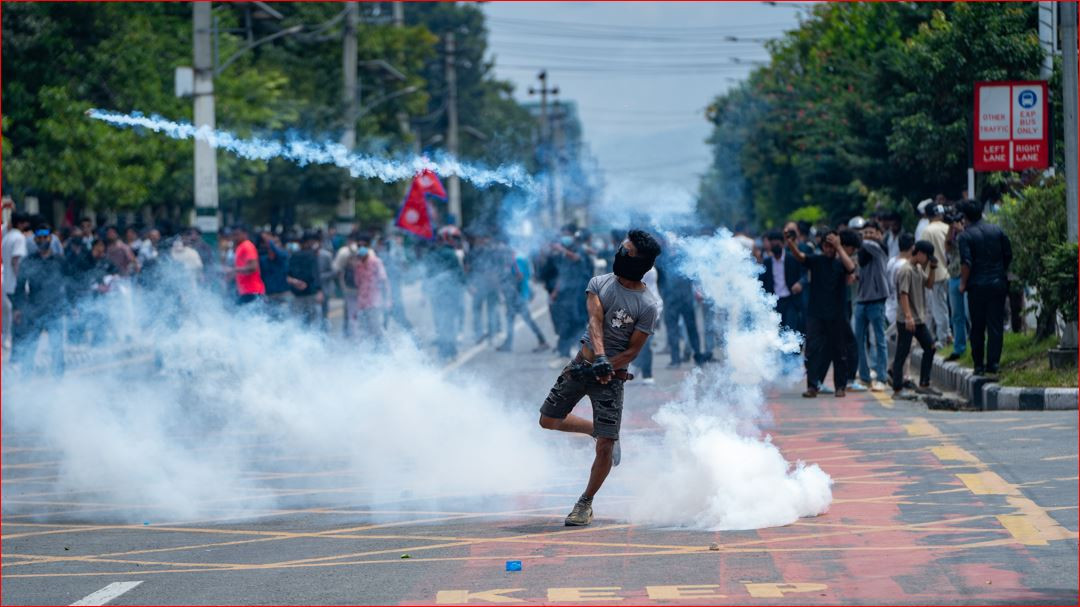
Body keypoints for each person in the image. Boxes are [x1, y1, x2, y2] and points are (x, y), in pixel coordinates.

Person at [539, 229, 662, 527]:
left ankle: (585, 502)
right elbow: (595, 322)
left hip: (612, 378)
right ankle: (595, 429)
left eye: (626, 251)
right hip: (583, 364)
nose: (619, 253)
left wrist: (610, 366)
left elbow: (633, 350)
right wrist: (600, 360)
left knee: (606, 445)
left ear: (640, 262)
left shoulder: (647, 305)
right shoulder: (599, 283)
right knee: (548, 420)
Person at [786, 230, 855, 398]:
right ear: (822, 246)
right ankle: (812, 386)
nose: (829, 249)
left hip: (837, 313)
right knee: (812, 351)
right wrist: (791, 244)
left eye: (832, 246)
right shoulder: (816, 260)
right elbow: (801, 257)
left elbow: (851, 267)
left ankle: (840, 386)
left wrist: (839, 247)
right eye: (826, 246)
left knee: (839, 351)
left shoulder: (841, 263)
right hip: (816, 313)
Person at [957, 200, 1012, 376]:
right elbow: (1008, 254)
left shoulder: (965, 236)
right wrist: (1000, 271)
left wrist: (963, 283)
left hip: (977, 286)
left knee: (977, 326)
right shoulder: (997, 230)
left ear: (965, 217)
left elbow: (966, 262)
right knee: (995, 324)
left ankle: (979, 365)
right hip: (997, 283)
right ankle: (993, 363)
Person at [11, 225, 66, 374]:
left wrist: (71, 305)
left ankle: (59, 379)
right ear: (35, 240)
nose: (42, 240)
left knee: (57, 347)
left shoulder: (59, 260)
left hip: (55, 309)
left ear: (50, 238)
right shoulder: (28, 261)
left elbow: (69, 283)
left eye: (45, 237)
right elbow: (20, 287)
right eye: (39, 238)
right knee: (30, 344)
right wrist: (17, 308)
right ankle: (26, 378)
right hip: (34, 310)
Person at [892, 240, 941, 398]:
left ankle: (924, 383)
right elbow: (903, 294)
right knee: (903, 352)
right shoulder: (905, 270)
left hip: (918, 319)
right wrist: (908, 317)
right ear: (919, 253)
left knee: (930, 347)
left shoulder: (918, 268)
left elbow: (929, 284)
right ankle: (897, 389)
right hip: (907, 319)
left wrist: (932, 268)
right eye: (927, 256)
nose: (927, 259)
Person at [853, 221, 890, 392]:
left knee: (879, 340)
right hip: (861, 301)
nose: (867, 236)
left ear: (878, 234)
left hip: (876, 301)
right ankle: (865, 377)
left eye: (870, 233)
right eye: (864, 233)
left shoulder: (879, 250)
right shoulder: (861, 254)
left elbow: (867, 243)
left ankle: (882, 377)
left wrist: (857, 236)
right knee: (858, 340)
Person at [496, 239, 549, 353]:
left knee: (527, 319)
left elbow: (519, 276)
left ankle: (542, 341)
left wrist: (509, 286)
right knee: (511, 319)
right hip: (518, 294)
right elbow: (528, 274)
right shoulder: (520, 257)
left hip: (517, 295)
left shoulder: (516, 259)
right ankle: (508, 343)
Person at [655, 241, 703, 367]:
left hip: (684, 298)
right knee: (673, 330)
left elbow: (694, 277)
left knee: (690, 328)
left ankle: (697, 356)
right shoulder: (662, 260)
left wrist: (698, 290)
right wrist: (662, 294)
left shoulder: (683, 259)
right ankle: (676, 360)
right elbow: (658, 279)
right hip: (671, 300)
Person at [549, 229, 594, 358]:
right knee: (568, 321)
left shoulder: (578, 249)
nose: (563, 238)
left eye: (566, 235)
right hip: (567, 294)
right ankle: (565, 351)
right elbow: (563, 274)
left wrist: (561, 250)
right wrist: (555, 291)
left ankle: (583, 350)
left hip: (580, 293)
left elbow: (576, 258)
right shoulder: (563, 254)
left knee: (579, 320)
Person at [426, 227, 467, 360]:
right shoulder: (452, 254)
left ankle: (444, 350)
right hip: (450, 294)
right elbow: (459, 274)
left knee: (440, 321)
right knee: (449, 322)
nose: (454, 241)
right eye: (452, 238)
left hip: (437, 294)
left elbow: (428, 274)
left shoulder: (433, 253)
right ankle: (450, 350)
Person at [760, 230, 803, 333]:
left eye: (777, 243)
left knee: (790, 330)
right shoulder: (767, 262)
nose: (775, 246)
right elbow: (762, 282)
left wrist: (800, 283)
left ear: (783, 243)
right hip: (774, 302)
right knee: (777, 332)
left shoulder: (792, 259)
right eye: (772, 243)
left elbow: (803, 274)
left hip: (790, 300)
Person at [921, 204, 952, 348]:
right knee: (952, 308)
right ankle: (950, 334)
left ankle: (943, 338)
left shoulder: (927, 231)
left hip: (936, 275)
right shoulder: (948, 228)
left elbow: (923, 255)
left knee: (940, 309)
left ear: (927, 216)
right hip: (951, 272)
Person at [352, 234, 390, 345]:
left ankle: (384, 351)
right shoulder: (358, 265)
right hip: (362, 302)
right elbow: (358, 284)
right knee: (364, 330)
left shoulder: (376, 262)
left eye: (364, 245)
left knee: (376, 329)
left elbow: (384, 281)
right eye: (359, 245)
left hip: (375, 301)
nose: (361, 247)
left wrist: (387, 300)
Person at [3, 212, 30, 354]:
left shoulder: (6, 237)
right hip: (16, 285)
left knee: (15, 318)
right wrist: (22, 282)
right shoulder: (19, 238)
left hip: (7, 285)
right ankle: (19, 353)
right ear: (21, 223)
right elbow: (16, 261)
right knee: (20, 320)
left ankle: (16, 352)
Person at [287, 232, 323, 327]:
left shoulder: (293, 255)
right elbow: (315, 274)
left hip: (296, 293)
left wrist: (295, 283)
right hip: (310, 293)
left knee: (298, 321)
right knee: (312, 322)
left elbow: (288, 273)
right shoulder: (312, 255)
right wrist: (319, 290)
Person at [945, 213, 967, 362]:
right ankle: (959, 348)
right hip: (954, 275)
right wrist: (950, 229)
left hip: (967, 275)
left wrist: (962, 230)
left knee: (969, 314)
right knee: (957, 315)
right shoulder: (952, 235)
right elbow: (947, 247)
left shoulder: (968, 233)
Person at [231, 225, 265, 305]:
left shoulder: (247, 246)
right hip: (246, 291)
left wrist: (233, 270)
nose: (235, 237)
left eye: (237, 234)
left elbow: (253, 267)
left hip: (252, 290)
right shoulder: (240, 247)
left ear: (245, 234)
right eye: (234, 234)